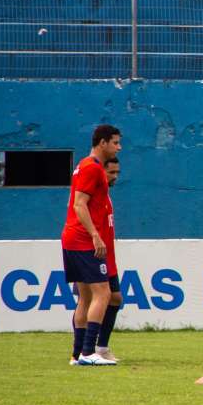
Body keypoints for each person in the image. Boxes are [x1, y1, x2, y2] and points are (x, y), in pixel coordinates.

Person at [63, 124, 122, 366]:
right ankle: (89, 353)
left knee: (86, 297)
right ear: (102, 143)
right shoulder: (92, 167)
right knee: (103, 293)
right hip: (83, 240)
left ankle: (78, 354)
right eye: (115, 142)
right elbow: (79, 204)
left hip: (73, 238)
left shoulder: (83, 165)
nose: (119, 147)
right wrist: (95, 235)